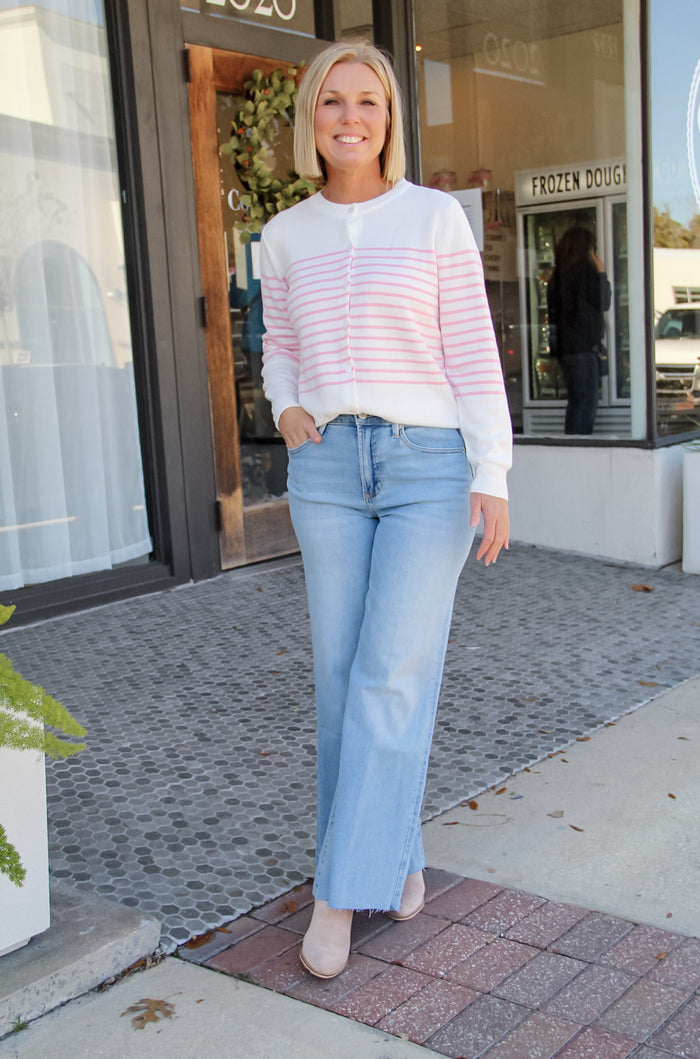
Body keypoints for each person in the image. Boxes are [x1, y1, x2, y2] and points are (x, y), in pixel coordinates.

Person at [260, 40, 512, 980]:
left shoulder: (434, 218)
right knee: (342, 680)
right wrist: (286, 408)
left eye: (368, 101)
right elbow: (278, 341)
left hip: (429, 470)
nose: (350, 117)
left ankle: (336, 894)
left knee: (390, 674)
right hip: (326, 468)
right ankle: (395, 857)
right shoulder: (285, 235)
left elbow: (474, 353)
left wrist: (493, 471)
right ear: (312, 120)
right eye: (333, 102)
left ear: (390, 118)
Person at [547, 226, 612, 434]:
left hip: (566, 348)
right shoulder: (585, 274)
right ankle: (579, 447)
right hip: (584, 347)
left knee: (576, 402)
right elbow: (603, 301)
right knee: (586, 403)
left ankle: (571, 447)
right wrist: (601, 273)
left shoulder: (557, 276)